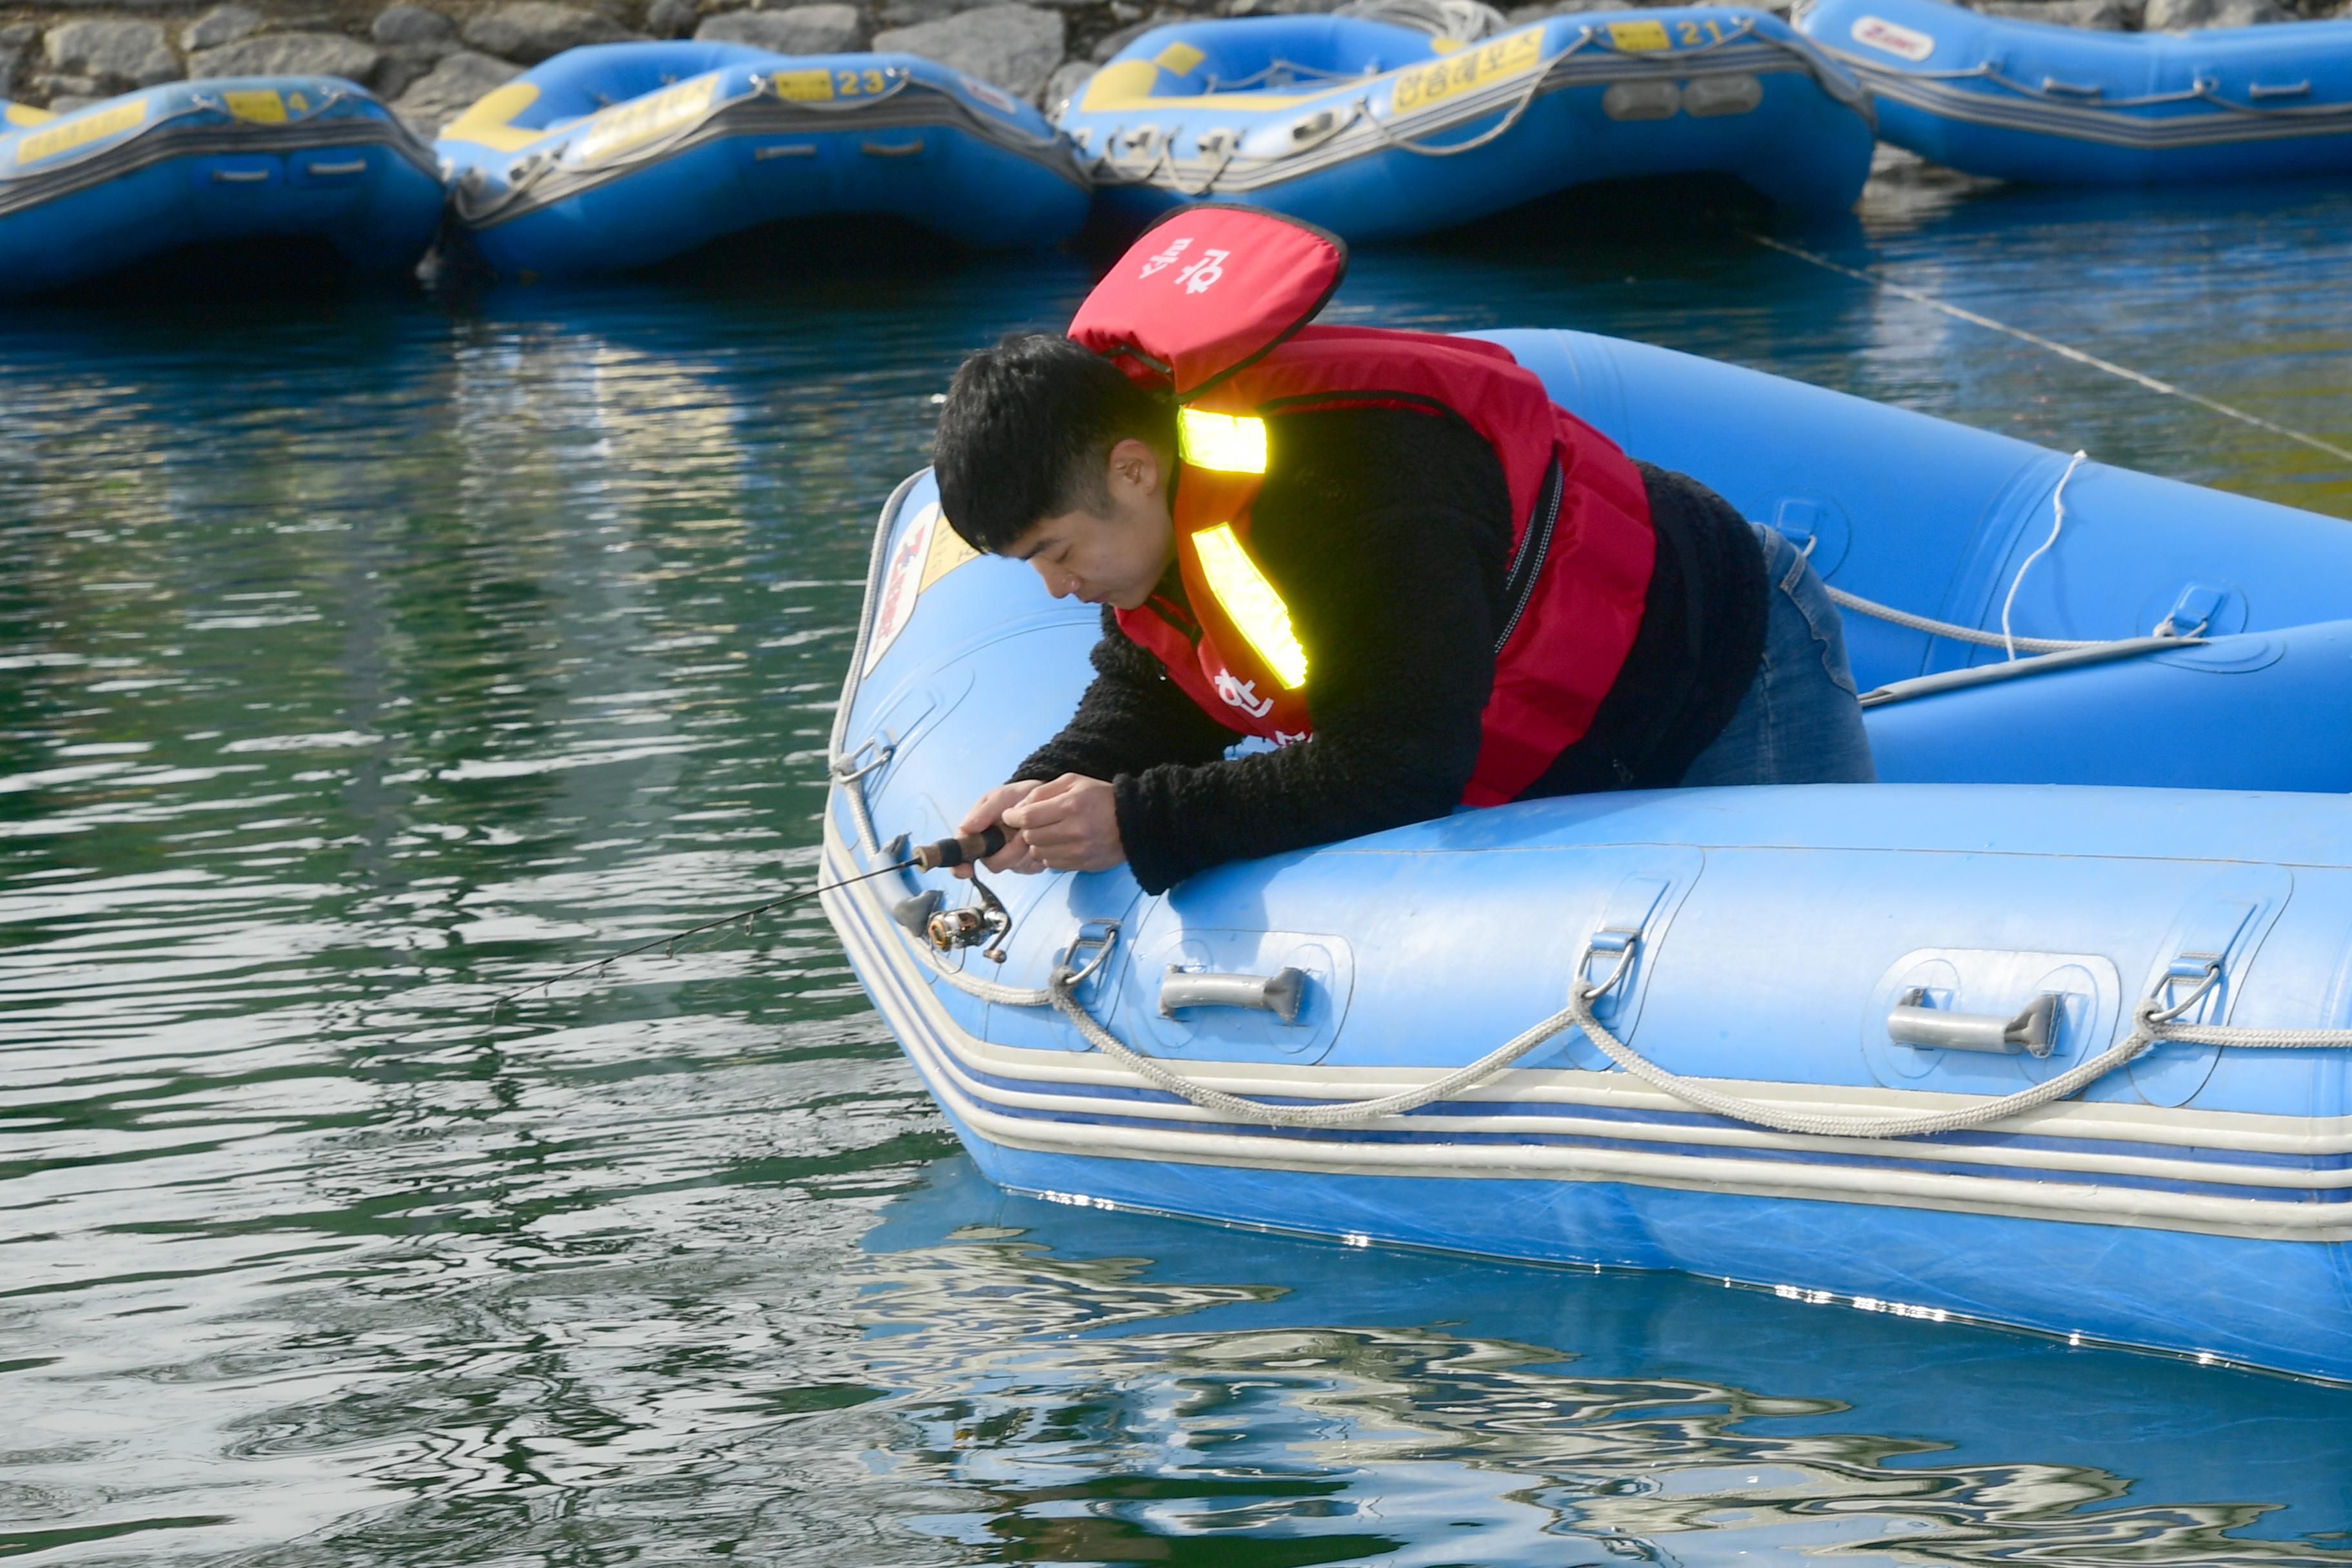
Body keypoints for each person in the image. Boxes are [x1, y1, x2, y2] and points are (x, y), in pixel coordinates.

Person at [929, 208, 1872, 896]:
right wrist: (1053, 780)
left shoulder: (1351, 494)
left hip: (1725, 664)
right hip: (1550, 722)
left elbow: (1398, 766)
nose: (1058, 589)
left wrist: (1140, 820)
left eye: (1055, 551)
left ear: (1131, 471)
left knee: (1808, 936)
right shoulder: (1160, 507)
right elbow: (1161, 684)